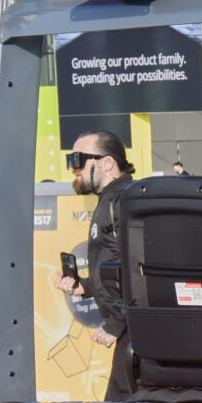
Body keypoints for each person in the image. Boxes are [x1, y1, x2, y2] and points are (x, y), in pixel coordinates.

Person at [55, 132, 135, 388]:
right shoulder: (109, 200)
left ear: (107, 163)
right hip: (130, 331)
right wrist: (85, 287)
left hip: (134, 331)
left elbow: (137, 269)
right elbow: (114, 264)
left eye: (78, 159)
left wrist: (115, 324)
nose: (73, 168)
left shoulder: (124, 202)